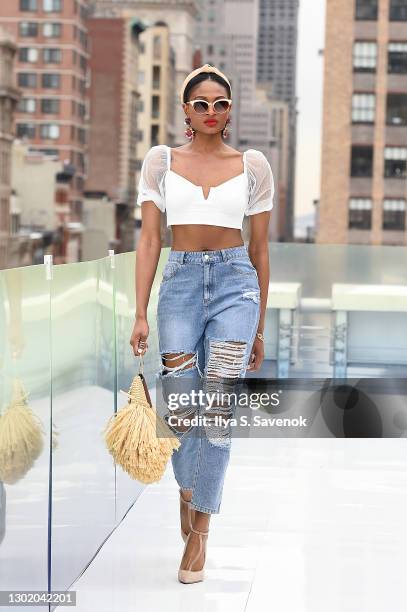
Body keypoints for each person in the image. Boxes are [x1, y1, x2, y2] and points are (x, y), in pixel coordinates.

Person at [130, 63, 274, 584]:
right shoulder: (161, 161)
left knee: (218, 405)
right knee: (182, 405)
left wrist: (258, 325)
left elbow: (259, 249)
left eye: (221, 103)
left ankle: (201, 531)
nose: (211, 112)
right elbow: (150, 240)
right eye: (201, 103)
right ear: (186, 111)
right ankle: (188, 491)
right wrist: (141, 309)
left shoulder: (253, 165)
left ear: (229, 111)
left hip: (237, 285)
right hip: (182, 286)